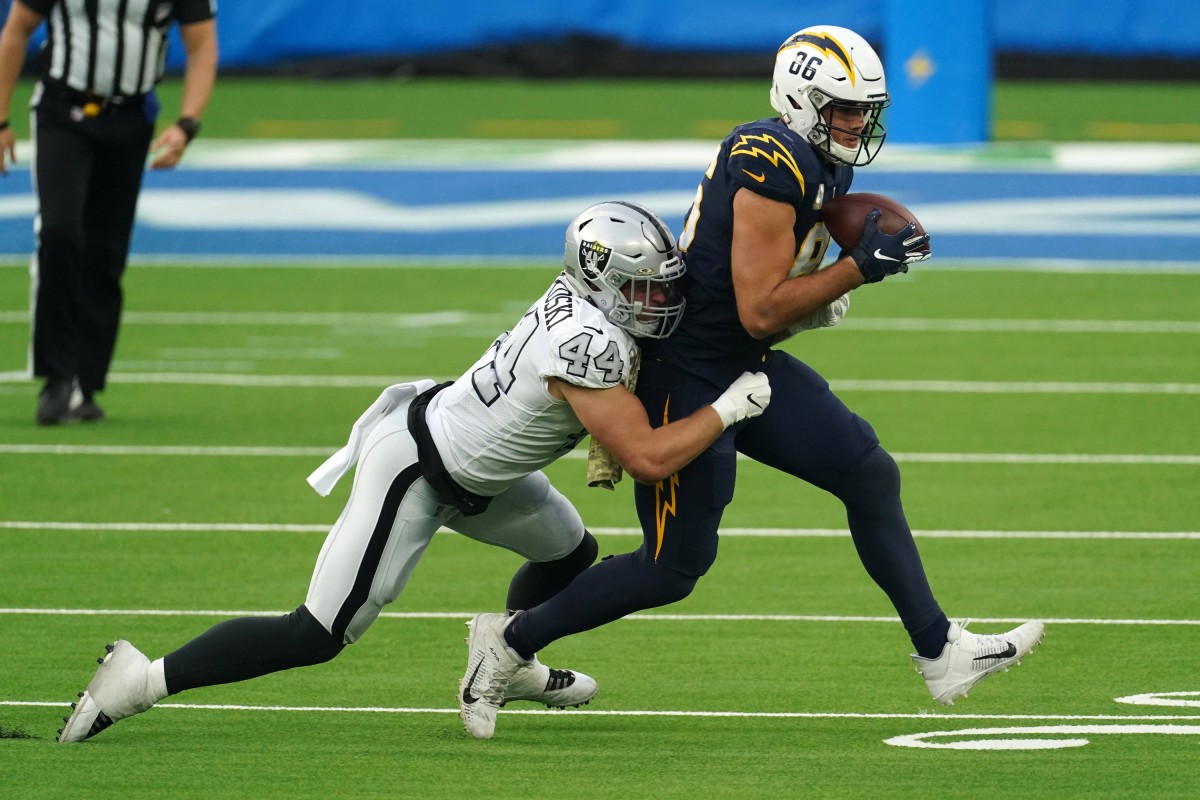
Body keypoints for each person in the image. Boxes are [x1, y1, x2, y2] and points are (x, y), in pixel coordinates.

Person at [458, 25, 1044, 740]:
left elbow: (765, 313)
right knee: (673, 568)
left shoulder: (821, 163)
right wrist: (859, 267)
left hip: (735, 357)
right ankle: (508, 643)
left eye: (865, 110)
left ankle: (938, 649)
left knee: (865, 469)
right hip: (689, 372)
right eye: (844, 109)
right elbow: (758, 307)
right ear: (801, 99)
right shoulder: (769, 159)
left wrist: (823, 299)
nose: (859, 124)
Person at [54, 201, 772, 743]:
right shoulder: (586, 339)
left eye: (660, 286)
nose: (659, 302)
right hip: (419, 468)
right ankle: (140, 681)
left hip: (478, 466)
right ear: (599, 281)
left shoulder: (590, 311)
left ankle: (510, 657)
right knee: (318, 632)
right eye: (642, 289)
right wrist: (728, 409)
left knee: (571, 554)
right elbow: (648, 455)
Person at [0, 0, 218, 425]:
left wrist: (187, 123)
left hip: (130, 119)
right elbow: (16, 30)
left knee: (105, 251)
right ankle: (56, 376)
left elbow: (202, 46)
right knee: (60, 232)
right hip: (63, 111)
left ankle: (87, 382)